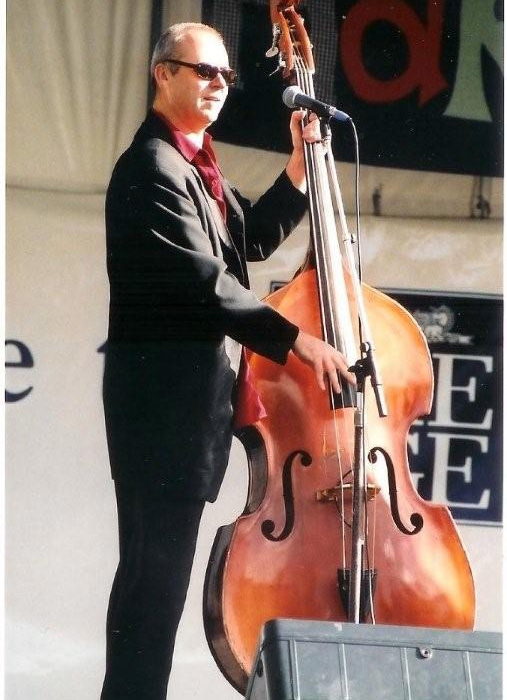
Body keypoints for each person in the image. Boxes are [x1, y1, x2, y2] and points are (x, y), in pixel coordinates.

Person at [101, 22, 353, 700]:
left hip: (184, 411)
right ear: (163, 74)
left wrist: (299, 167)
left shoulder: (193, 165)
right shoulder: (153, 167)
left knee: (155, 591)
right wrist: (298, 339)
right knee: (152, 592)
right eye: (203, 71)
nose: (218, 86)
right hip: (163, 412)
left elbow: (251, 242)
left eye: (225, 77)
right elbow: (204, 284)